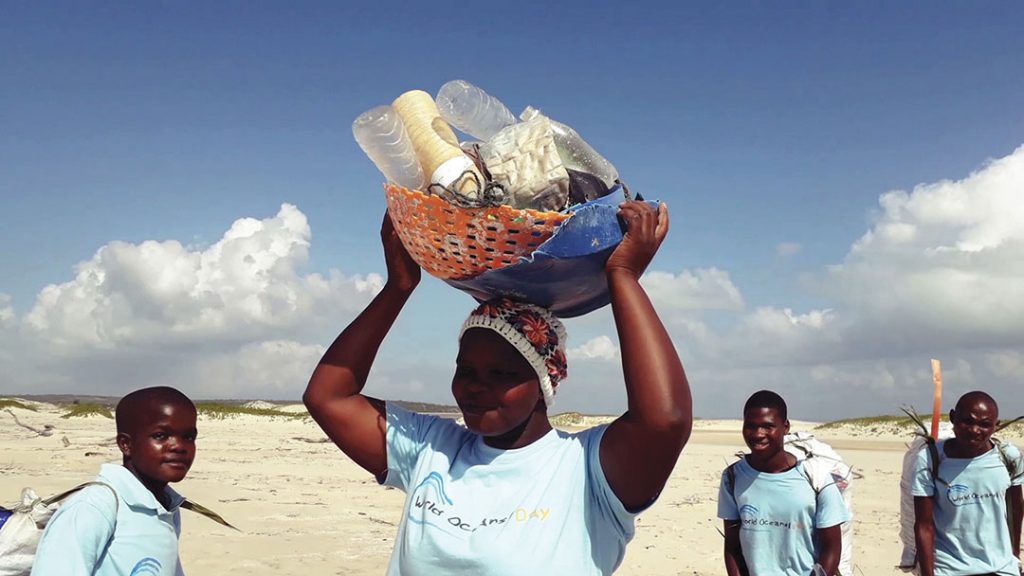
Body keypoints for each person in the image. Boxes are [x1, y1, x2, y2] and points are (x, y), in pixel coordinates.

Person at [304, 201, 692, 575]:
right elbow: (328, 396)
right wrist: (398, 288)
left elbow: (665, 420)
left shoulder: (585, 469)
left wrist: (622, 275)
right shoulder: (432, 450)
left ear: (543, 382)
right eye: (466, 370)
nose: (476, 387)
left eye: (502, 374)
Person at [32, 386, 198, 576]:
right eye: (160, 436)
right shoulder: (94, 507)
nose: (179, 446)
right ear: (126, 444)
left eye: (188, 437)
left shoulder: (167, 506)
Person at [719, 390, 848, 576]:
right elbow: (732, 545)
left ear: (785, 427)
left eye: (767, 426)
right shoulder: (732, 477)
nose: (758, 434)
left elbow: (832, 547)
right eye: (751, 426)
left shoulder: (815, 476)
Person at [912, 391, 1024, 576]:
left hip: (1001, 569)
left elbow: (1016, 510)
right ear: (953, 418)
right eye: (967, 421)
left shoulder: (1008, 457)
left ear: (995, 427)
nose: (974, 430)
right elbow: (924, 525)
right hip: (949, 569)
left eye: (984, 425)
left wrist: (1014, 555)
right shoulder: (930, 459)